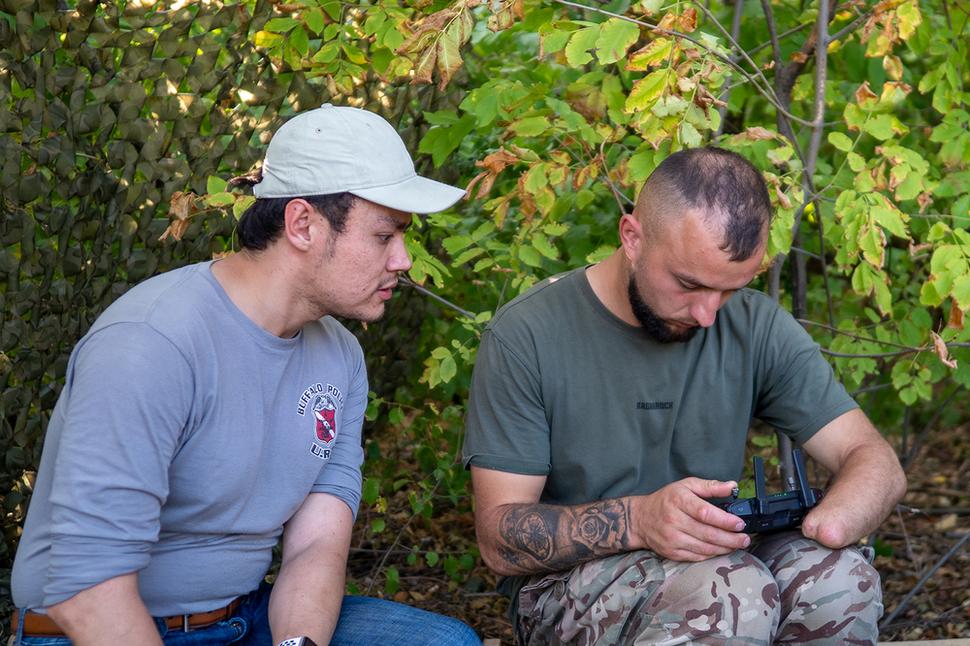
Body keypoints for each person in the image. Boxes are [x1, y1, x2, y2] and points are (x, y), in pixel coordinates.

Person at [11, 105, 481, 646]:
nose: (402, 260)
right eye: (384, 236)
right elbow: (86, 587)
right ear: (302, 224)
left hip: (248, 619)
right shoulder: (151, 343)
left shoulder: (341, 356)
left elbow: (315, 545)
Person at [463, 147, 906, 645]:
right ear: (632, 237)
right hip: (568, 586)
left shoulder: (755, 326)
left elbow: (872, 458)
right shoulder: (528, 335)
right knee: (728, 590)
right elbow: (498, 539)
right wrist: (641, 520)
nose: (707, 315)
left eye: (730, 290)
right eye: (688, 284)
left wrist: (833, 524)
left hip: (724, 566)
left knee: (838, 579)